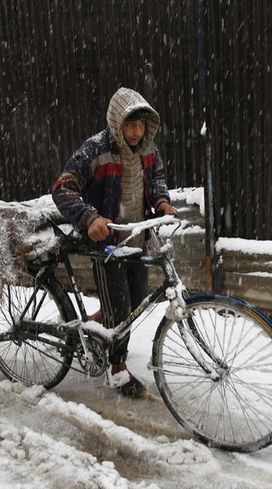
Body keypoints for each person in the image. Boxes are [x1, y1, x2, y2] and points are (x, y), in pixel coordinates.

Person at [51, 87, 177, 398]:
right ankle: (116, 368)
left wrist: (161, 202)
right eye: (130, 125)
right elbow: (63, 188)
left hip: (137, 237)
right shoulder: (95, 150)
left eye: (141, 125)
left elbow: (157, 178)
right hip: (106, 245)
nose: (136, 133)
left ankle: (95, 328)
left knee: (134, 302)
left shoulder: (149, 151)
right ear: (116, 123)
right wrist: (90, 217)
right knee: (120, 309)